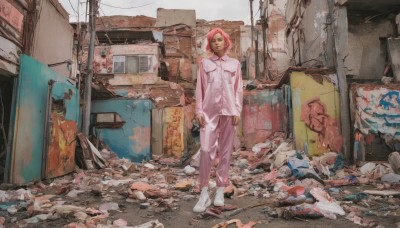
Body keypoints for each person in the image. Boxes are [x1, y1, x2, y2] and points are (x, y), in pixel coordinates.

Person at [193, 28, 243, 213]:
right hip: (209, 113)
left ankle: (220, 190)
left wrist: (238, 110)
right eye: (213, 41)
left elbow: (238, 89)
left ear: (226, 42)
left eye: (219, 40)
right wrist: (199, 110)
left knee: (225, 152)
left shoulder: (235, 64)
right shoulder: (205, 64)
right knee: (206, 150)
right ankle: (204, 192)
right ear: (210, 44)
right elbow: (200, 88)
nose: (216, 43)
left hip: (229, 112)